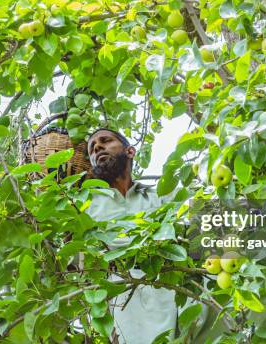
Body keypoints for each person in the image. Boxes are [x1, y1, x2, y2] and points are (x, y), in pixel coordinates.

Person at [85, 128, 214, 344]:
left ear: (130, 151)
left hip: (174, 286)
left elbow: (201, 213)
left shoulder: (160, 195)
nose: (97, 147)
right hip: (125, 299)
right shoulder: (86, 207)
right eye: (92, 148)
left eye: (105, 141)